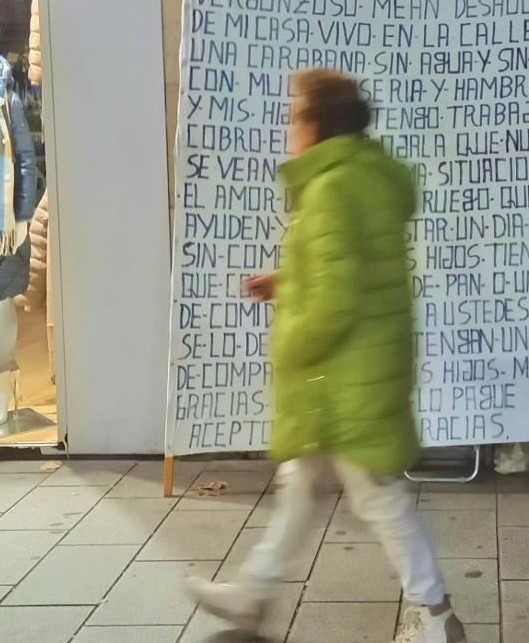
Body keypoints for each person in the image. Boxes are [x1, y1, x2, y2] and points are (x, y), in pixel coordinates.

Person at [187, 69, 465, 643]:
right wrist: (287, 281)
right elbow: (351, 267)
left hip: (346, 375)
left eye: (296, 115)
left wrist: (290, 345)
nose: (289, 126)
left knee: (377, 498)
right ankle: (252, 594)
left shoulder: (333, 187)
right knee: (301, 483)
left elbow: (338, 297)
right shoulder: (362, 178)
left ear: (317, 126)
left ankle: (432, 614)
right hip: (361, 367)